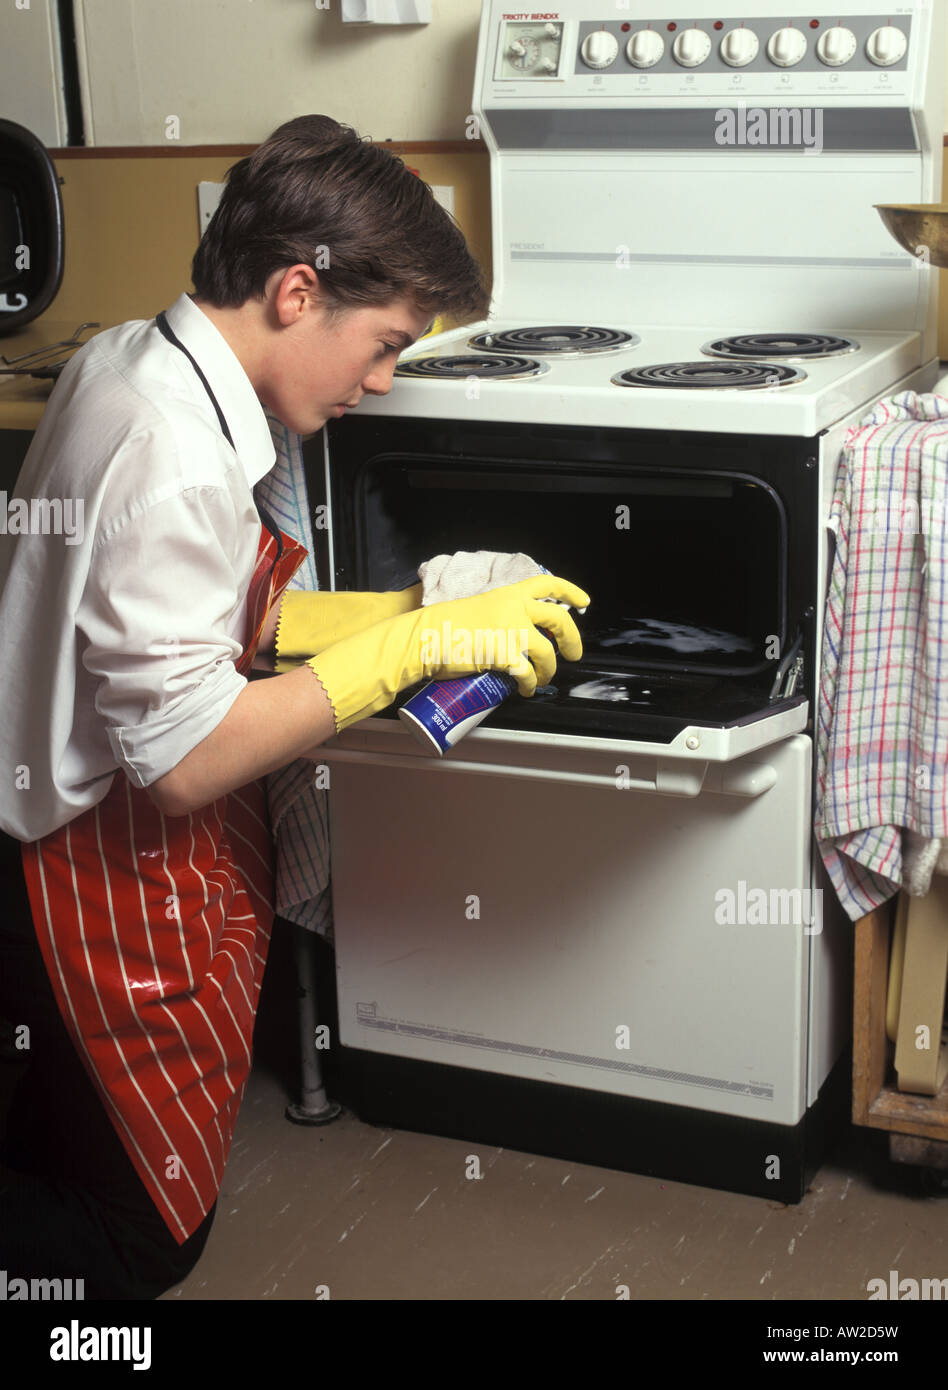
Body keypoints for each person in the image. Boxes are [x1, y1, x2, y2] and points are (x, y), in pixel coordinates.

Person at [0, 114, 590, 1299]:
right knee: (137, 1242)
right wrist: (404, 653)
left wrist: (420, 609)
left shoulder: (134, 358)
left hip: (59, 822)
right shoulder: (166, 451)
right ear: (296, 289)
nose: (380, 382)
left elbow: (217, 628)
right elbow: (181, 759)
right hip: (69, 869)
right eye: (382, 345)